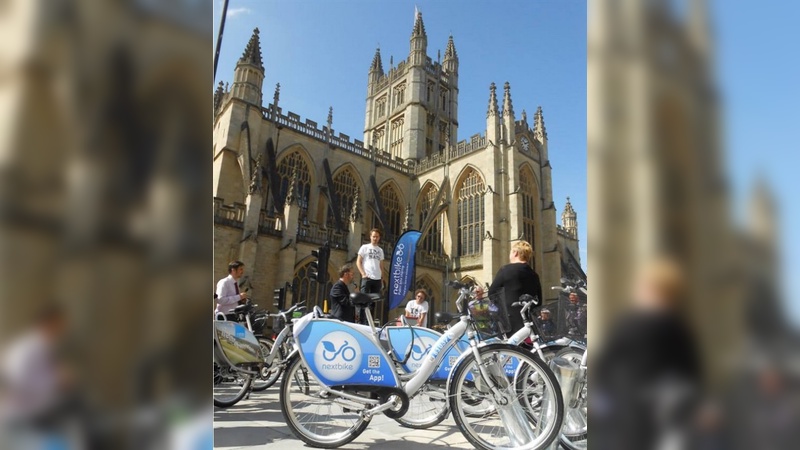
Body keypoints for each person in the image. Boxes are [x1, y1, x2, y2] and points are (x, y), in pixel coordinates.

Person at [488, 240, 542, 335]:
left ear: (515, 253)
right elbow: (539, 301)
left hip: (508, 324)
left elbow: (492, 293)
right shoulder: (534, 275)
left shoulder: (506, 270)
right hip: (528, 323)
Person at [356, 228, 384, 324]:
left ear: (379, 238)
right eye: (373, 236)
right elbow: (358, 262)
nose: (375, 238)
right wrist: (363, 273)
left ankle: (369, 322)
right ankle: (361, 321)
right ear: (370, 237)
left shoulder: (380, 250)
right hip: (367, 277)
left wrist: (382, 278)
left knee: (372, 302)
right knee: (363, 300)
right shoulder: (365, 247)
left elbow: (381, 265)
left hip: (377, 278)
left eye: (377, 237)